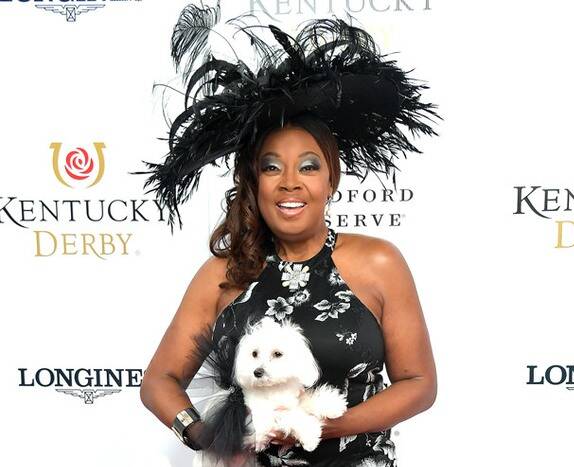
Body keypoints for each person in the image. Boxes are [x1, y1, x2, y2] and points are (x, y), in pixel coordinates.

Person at [136, 3, 441, 466]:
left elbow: (418, 384)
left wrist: (324, 424)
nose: (290, 182)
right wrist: (202, 435)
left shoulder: (378, 262)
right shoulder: (224, 273)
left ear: (331, 181)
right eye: (272, 167)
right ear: (253, 182)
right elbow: (158, 380)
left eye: (309, 166)